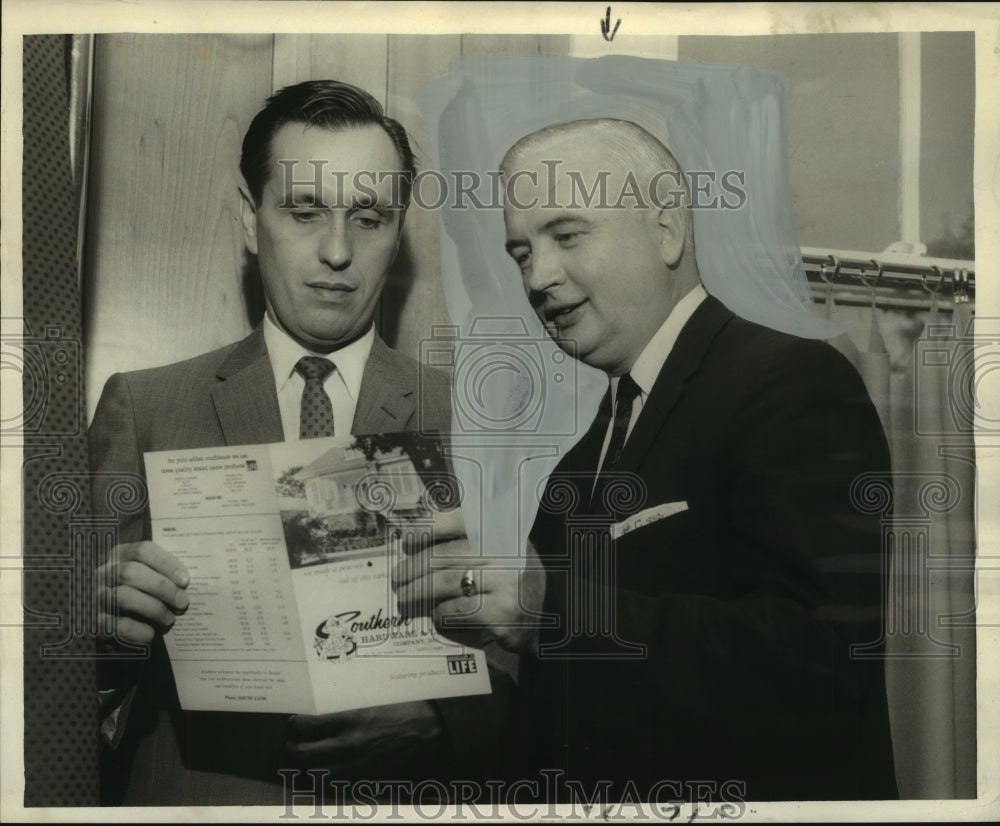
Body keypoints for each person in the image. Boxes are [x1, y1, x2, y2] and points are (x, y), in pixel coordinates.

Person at [393, 118, 898, 801]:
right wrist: (436, 722)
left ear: (667, 230)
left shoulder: (794, 381)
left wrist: (545, 609)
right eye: (520, 253)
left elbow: (819, 666)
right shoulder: (580, 464)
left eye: (567, 236)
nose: (539, 276)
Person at [89, 80, 513, 806]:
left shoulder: (478, 420)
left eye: (369, 217)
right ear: (252, 222)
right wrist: (99, 622)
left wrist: (448, 721)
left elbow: (543, 653)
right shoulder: (148, 405)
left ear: (398, 230)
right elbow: (52, 680)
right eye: (305, 211)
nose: (339, 251)